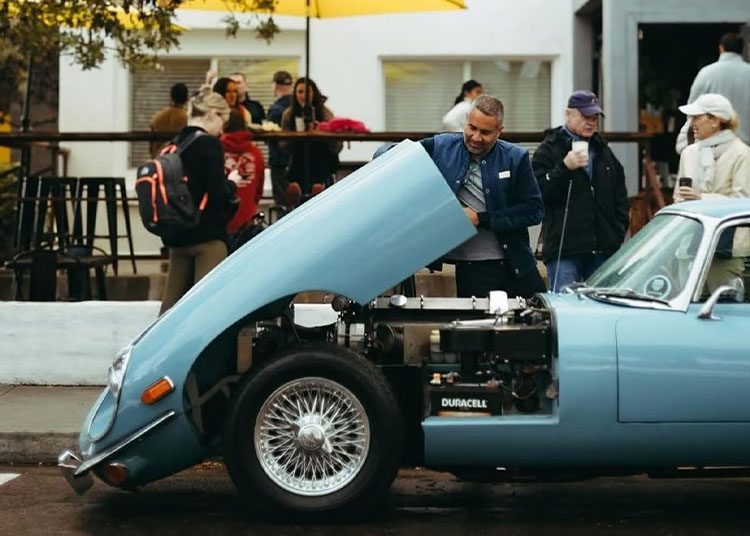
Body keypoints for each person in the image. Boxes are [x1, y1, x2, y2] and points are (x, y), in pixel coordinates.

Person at [420, 94, 545, 299]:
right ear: (466, 120)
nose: (476, 137)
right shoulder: (441, 146)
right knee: (477, 329)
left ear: (499, 131)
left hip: (518, 264)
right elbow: (399, 155)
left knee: (540, 323)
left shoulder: (516, 157)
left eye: (485, 132)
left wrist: (482, 219)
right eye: (472, 128)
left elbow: (534, 210)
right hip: (472, 268)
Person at [532, 90, 629, 292]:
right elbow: (537, 194)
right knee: (565, 311)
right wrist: (564, 167)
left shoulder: (603, 150)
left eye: (595, 118)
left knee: (603, 312)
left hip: (603, 249)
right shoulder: (549, 149)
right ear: (568, 114)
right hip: (564, 251)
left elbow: (620, 196)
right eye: (586, 116)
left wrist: (616, 232)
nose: (591, 122)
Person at [159, 89, 246, 315]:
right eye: (223, 122)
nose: (222, 131)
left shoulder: (175, 144)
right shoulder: (209, 145)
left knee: (170, 311)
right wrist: (232, 183)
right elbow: (216, 194)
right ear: (212, 114)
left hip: (178, 237)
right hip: (207, 239)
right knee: (207, 310)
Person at [676, 32, 750, 153]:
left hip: (713, 148)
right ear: (742, 50)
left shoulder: (706, 74)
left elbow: (692, 111)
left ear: (721, 48)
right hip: (746, 145)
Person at [674, 93, 750, 203]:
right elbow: (677, 198)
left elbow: (743, 203)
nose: (692, 123)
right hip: (692, 219)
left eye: (697, 117)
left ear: (715, 121)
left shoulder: (741, 153)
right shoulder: (689, 153)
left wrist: (703, 198)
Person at [280, 77, 342, 206]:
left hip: (321, 159)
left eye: (307, 92)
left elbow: (336, 144)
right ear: (295, 94)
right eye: (300, 92)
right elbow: (283, 145)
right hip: (297, 160)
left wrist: (320, 131)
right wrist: (296, 135)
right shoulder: (288, 115)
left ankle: (318, 188)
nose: (304, 96)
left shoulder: (325, 114)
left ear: (314, 93)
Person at [220, 113, 266, 234]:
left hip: (222, 222)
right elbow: (258, 191)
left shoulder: (216, 151)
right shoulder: (256, 153)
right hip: (248, 221)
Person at [267, 70, 294, 206]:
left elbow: (271, 138)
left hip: (279, 162)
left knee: (283, 204)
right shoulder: (299, 107)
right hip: (297, 162)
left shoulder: (275, 110)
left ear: (275, 86)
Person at [149, 82, 188, 157]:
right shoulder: (187, 118)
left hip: (159, 157)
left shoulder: (157, 117)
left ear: (171, 97)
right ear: (186, 98)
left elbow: (151, 146)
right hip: (178, 158)